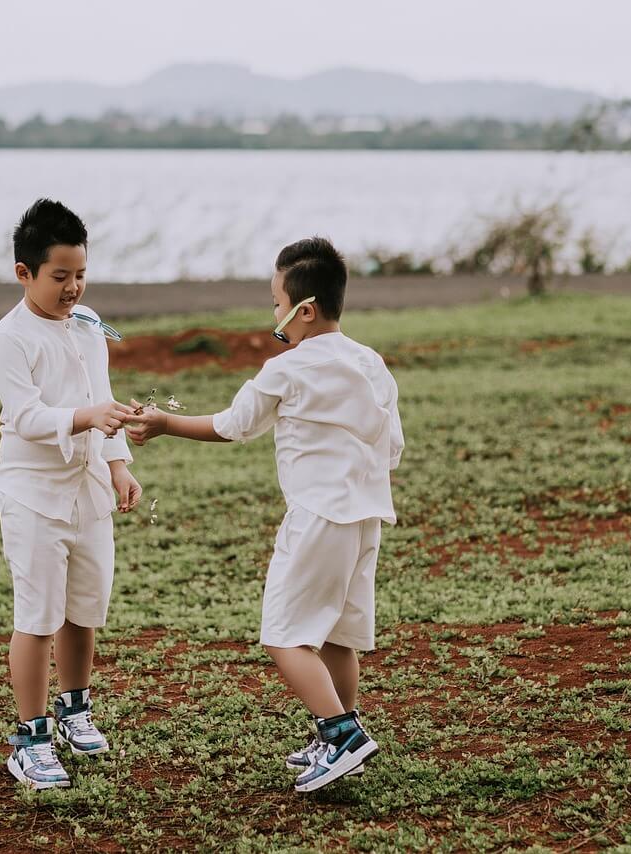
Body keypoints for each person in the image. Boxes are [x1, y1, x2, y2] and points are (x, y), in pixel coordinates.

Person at [126, 237, 403, 792]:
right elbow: (391, 445)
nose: (273, 313)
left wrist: (163, 422)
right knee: (336, 636)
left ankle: (341, 733)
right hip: (366, 516)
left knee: (284, 634)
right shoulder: (370, 363)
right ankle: (333, 738)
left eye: (277, 303)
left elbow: (232, 425)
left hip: (317, 517)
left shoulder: (288, 368)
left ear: (304, 310)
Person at [0, 198, 142, 789]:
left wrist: (119, 464)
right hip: (33, 494)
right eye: (60, 277)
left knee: (84, 608)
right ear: (24, 273)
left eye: (80, 274)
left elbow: (103, 393)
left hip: (89, 489)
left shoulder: (89, 324)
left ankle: (75, 710)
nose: (73, 288)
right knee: (39, 614)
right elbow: (26, 417)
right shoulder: (9, 338)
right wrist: (87, 417)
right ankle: (30, 738)